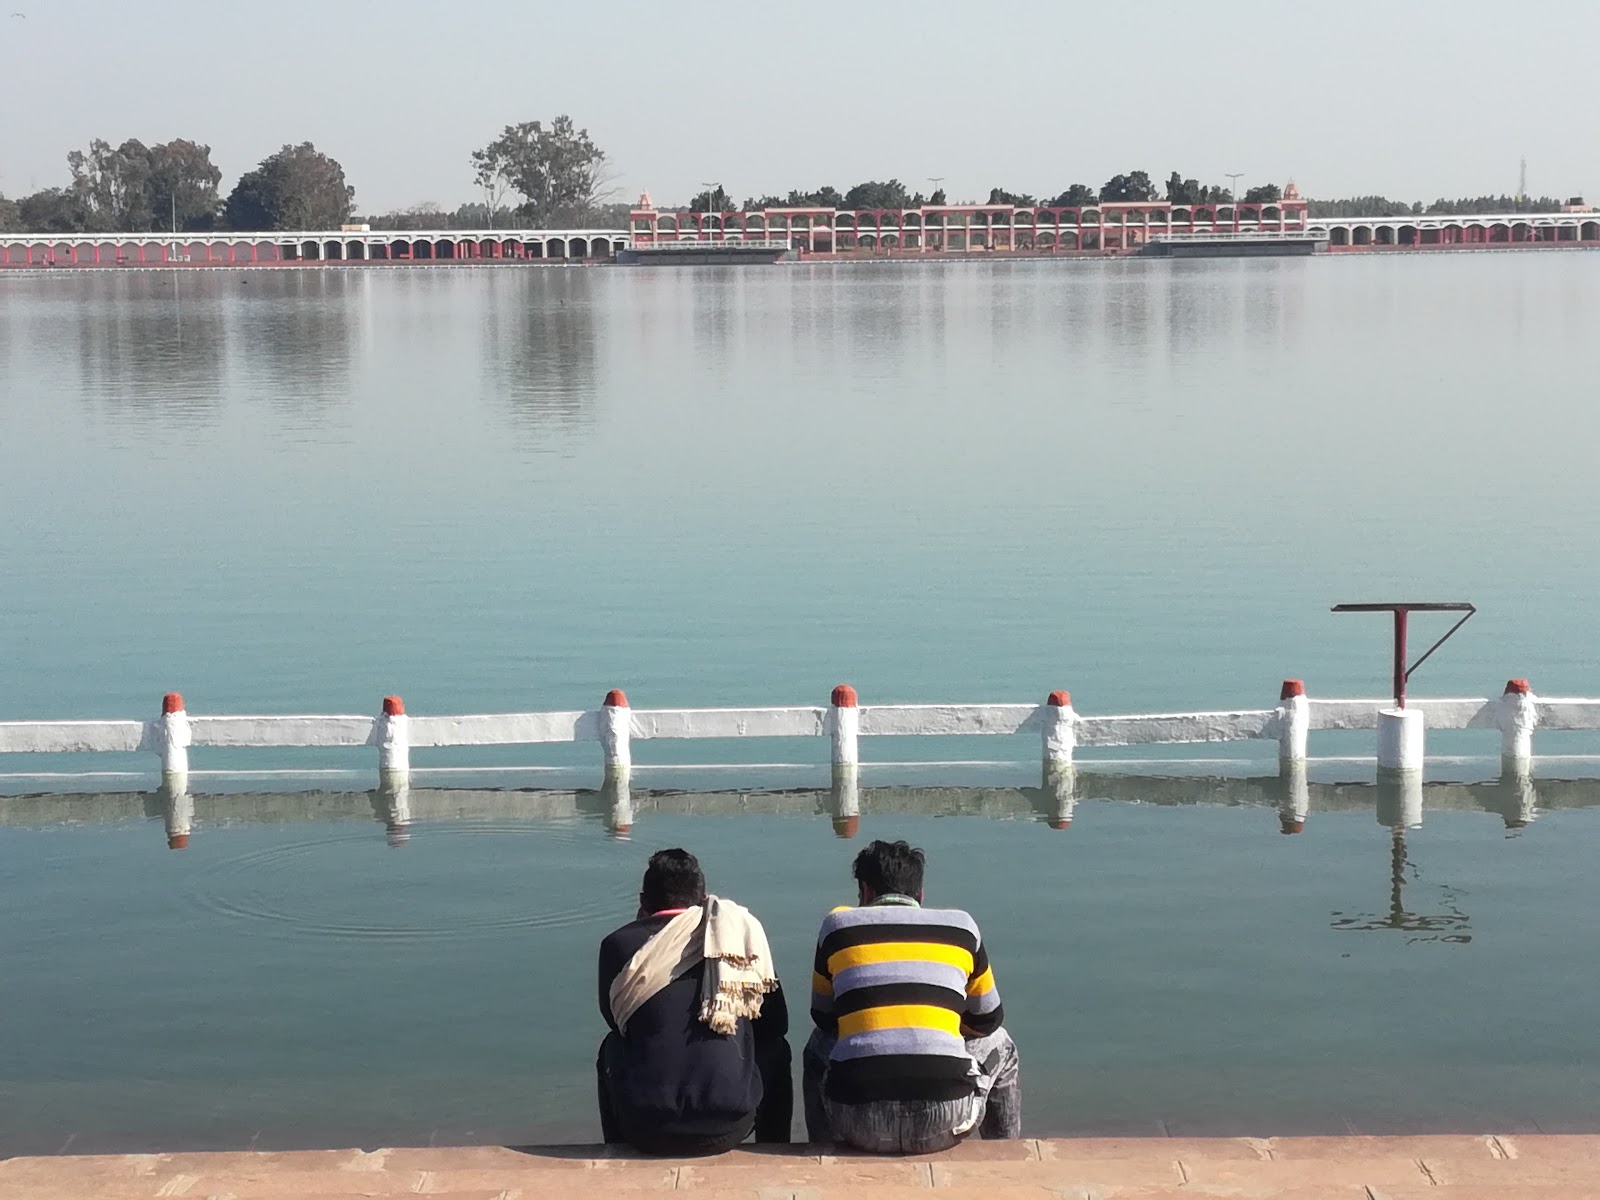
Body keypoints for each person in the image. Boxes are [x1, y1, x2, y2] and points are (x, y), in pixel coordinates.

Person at [803, 839, 1021, 1154]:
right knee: (1003, 1045)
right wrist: (936, 1028)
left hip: (855, 1122)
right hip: (947, 1121)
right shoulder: (962, 928)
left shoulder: (837, 927)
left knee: (817, 1047)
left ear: (865, 891)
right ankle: (1007, 1158)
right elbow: (988, 1020)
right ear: (919, 893)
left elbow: (824, 1017)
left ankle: (821, 1152)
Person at [597, 848, 792, 1154]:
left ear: (642, 902)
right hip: (731, 1126)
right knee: (777, 1049)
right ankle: (775, 1151)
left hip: (645, 1127)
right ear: (703, 899)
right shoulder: (737, 938)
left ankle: (616, 1153)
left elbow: (618, 1024)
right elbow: (776, 1023)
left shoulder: (618, 945)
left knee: (611, 1047)